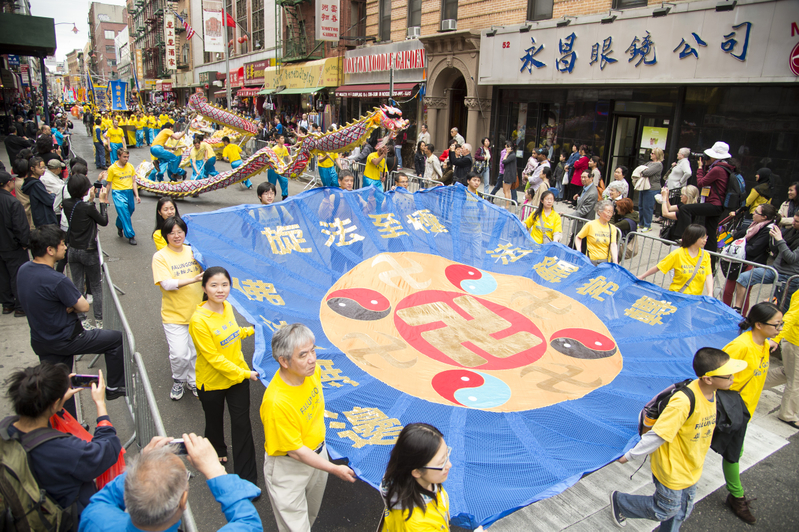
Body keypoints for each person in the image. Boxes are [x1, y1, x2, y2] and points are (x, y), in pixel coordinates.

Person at [609, 348, 748, 530]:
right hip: (672, 467)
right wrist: (630, 456)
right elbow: (658, 434)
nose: (733, 378)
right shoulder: (683, 402)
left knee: (682, 510)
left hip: (692, 465)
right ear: (708, 378)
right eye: (728, 375)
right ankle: (621, 502)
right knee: (665, 509)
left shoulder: (713, 392)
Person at [17, 226, 126, 418]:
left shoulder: (24, 270)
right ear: (50, 250)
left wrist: (66, 305)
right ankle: (115, 387)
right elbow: (83, 306)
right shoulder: (57, 280)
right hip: (67, 339)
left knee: (59, 387)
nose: (65, 247)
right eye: (61, 244)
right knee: (116, 339)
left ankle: (67, 425)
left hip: (41, 341)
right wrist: (70, 305)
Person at [259, 323, 357, 532]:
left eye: (313, 350)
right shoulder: (276, 403)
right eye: (303, 355)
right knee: (296, 527)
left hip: (318, 455)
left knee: (310, 515)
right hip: (290, 467)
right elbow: (296, 451)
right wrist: (334, 468)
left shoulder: (312, 372)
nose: (312, 359)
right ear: (284, 361)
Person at [3, 363, 122, 522]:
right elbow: (108, 448)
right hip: (68, 519)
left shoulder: (5, 430)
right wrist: (100, 404)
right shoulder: (63, 450)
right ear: (54, 404)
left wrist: (56, 401)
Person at [79, 433, 261, 532]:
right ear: (183, 500)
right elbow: (248, 523)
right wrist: (215, 470)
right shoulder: (95, 515)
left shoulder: (96, 520)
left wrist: (143, 465)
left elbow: (106, 496)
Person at [189, 267, 259, 485]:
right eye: (214, 285)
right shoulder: (198, 321)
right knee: (213, 422)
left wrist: (252, 330)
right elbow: (214, 358)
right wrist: (246, 373)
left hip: (237, 379)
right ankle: (217, 450)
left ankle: (247, 480)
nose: (220, 290)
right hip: (212, 383)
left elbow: (232, 334)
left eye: (224, 285)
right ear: (204, 288)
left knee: (242, 426)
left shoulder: (227, 307)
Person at [720, 302, 784, 524]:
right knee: (733, 454)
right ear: (759, 324)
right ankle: (737, 496)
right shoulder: (741, 346)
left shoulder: (763, 343)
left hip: (744, 411)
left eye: (781, 324)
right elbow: (715, 372)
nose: (780, 329)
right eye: (776, 324)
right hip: (731, 411)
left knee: (734, 451)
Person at [152, 217, 204, 401]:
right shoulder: (160, 257)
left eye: (180, 232)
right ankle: (178, 380)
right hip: (174, 315)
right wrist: (193, 279)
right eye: (172, 233)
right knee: (179, 354)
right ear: (166, 235)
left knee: (195, 352)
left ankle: (192, 381)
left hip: (197, 314)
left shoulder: (193, 251)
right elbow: (167, 284)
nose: (176, 236)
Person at [380, 423, 451, 532]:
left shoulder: (424, 480)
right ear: (417, 472)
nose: (449, 465)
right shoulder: (415, 525)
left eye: (447, 455)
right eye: (442, 463)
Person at [63, 174, 109, 330]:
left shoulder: (67, 203)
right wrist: (102, 202)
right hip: (88, 251)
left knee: (77, 285)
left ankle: (82, 320)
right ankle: (99, 321)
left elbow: (80, 212)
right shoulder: (88, 207)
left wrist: (90, 200)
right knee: (96, 286)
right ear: (84, 190)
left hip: (73, 250)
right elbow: (103, 221)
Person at [676, 141, 732, 257]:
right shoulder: (723, 167)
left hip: (714, 204)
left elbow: (701, 182)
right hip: (718, 205)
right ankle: (711, 262)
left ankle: (687, 237)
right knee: (710, 233)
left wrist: (700, 168)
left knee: (685, 209)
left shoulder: (717, 169)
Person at [733, 215, 799, 313]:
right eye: (794, 219)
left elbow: (791, 258)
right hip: (775, 270)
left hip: (790, 278)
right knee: (744, 278)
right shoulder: (791, 231)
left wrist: (780, 240)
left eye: (797, 221)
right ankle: (737, 309)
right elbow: (776, 250)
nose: (793, 222)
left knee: (783, 309)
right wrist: (773, 238)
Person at [722, 204, 779, 309]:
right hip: (739, 260)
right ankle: (724, 312)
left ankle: (741, 316)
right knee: (727, 290)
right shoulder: (754, 225)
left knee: (743, 293)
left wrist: (739, 247)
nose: (753, 213)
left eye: (756, 212)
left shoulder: (768, 230)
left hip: (751, 263)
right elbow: (737, 235)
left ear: (764, 217)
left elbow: (754, 249)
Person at [638, 224, 713, 296]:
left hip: (694, 299)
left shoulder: (705, 255)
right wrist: (642, 276)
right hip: (677, 296)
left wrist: (710, 293)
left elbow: (708, 275)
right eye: (703, 238)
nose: (705, 240)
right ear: (693, 237)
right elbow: (659, 267)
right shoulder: (677, 254)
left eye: (706, 237)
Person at [768, 290, 799, 429]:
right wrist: (776, 338)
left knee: (788, 373)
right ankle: (788, 414)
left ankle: (749, 382)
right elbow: (791, 317)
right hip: (795, 342)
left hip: (794, 341)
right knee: (795, 379)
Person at [0, 171, 29, 317]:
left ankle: (7, 305)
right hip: (13, 246)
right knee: (17, 276)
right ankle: (20, 306)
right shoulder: (13, 202)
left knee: (3, 276)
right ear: (8, 183)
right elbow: (20, 226)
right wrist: (25, 242)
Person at [104, 148, 140, 246]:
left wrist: (137, 195)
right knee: (124, 211)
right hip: (118, 193)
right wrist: (106, 198)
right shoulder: (112, 168)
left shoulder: (130, 166)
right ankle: (130, 235)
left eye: (127, 157)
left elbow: (133, 181)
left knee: (130, 210)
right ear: (119, 156)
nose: (126, 159)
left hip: (129, 192)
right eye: (124, 157)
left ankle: (119, 225)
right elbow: (108, 184)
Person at [576, 200, 618, 265]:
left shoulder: (612, 228)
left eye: (612, 212)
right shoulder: (590, 225)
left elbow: (613, 245)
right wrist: (579, 251)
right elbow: (578, 237)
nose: (610, 215)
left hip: (605, 262)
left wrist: (615, 261)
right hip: (591, 261)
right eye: (608, 212)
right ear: (599, 212)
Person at [19, 156, 57, 228]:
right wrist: (52, 194)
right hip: (44, 218)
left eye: (44, 167)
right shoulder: (36, 184)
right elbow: (49, 200)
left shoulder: (30, 182)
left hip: (38, 217)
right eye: (40, 168)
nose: (43, 170)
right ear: (32, 169)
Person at [637, 148, 664, 232]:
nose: (651, 154)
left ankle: (647, 225)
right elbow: (640, 169)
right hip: (644, 187)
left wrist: (643, 171)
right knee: (641, 206)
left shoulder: (658, 165)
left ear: (657, 155)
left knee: (647, 207)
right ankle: (641, 223)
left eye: (652, 153)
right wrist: (642, 171)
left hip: (652, 188)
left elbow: (646, 172)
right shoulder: (649, 163)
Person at [267, 134, 290, 201]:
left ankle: (285, 195)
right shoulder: (274, 149)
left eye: (283, 138)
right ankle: (270, 197)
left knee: (284, 180)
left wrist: (291, 162)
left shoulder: (284, 148)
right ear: (277, 140)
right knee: (272, 184)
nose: (283, 140)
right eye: (281, 138)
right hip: (273, 168)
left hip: (280, 168)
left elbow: (287, 156)